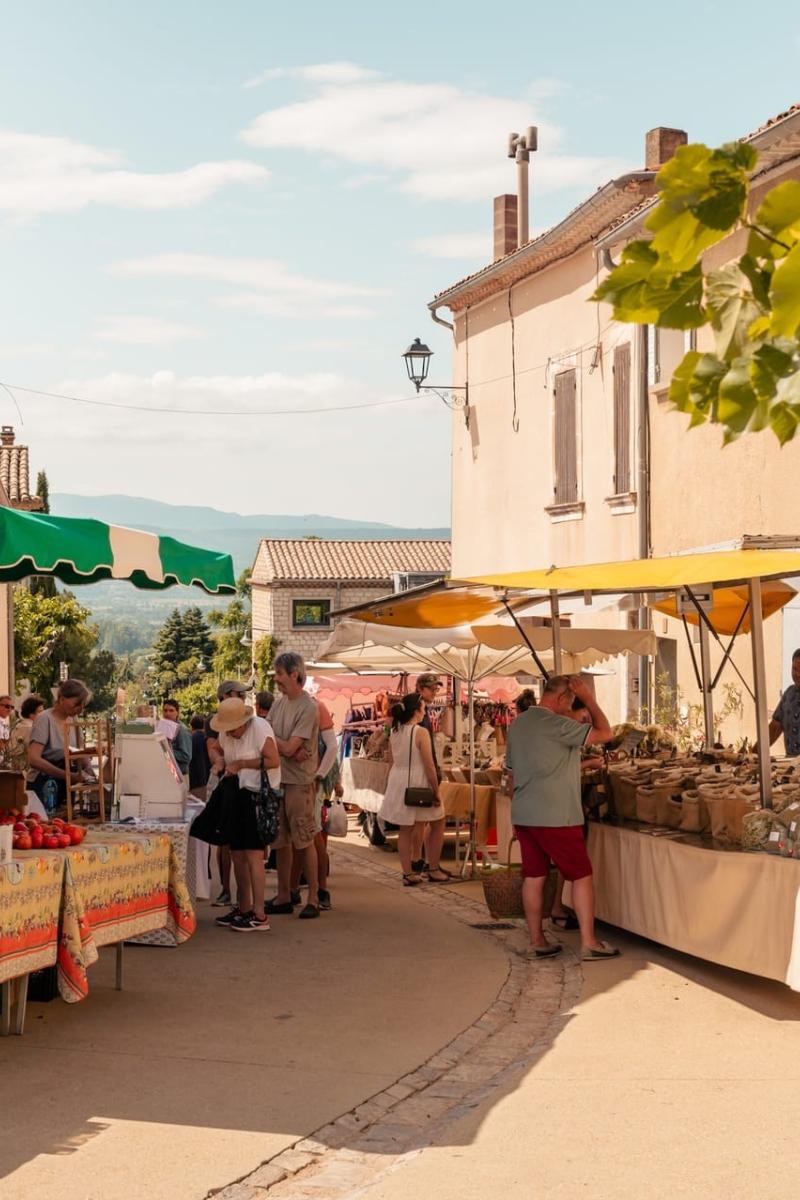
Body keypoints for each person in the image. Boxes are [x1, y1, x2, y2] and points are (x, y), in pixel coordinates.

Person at [505, 674, 619, 962]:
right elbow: (606, 733)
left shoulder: (518, 725)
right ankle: (589, 942)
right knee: (581, 876)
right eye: (571, 700)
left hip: (524, 812)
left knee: (534, 876)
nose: (571, 707)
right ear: (562, 698)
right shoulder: (557, 724)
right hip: (557, 815)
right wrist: (590, 700)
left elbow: (513, 772)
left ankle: (536, 941)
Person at [210, 697, 280, 932]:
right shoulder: (227, 733)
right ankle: (244, 906)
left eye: (233, 729)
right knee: (237, 853)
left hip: (256, 795)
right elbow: (217, 749)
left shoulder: (259, 728)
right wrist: (219, 761)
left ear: (243, 722)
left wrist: (241, 764)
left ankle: (259, 914)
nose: (230, 734)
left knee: (253, 855)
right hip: (236, 793)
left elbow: (273, 760)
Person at [267, 652, 321, 919]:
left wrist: (283, 744)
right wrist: (286, 746)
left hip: (299, 782)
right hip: (281, 780)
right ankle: (284, 895)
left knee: (304, 839)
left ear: (294, 674)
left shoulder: (308, 707)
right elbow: (283, 745)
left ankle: (313, 897)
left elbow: (285, 745)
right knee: (281, 842)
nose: (276, 679)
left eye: (279, 674)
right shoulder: (279, 704)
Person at [379, 692, 448, 886]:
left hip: (399, 780)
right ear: (417, 711)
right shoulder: (420, 732)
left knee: (405, 829)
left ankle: (408, 873)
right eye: (423, 706)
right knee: (438, 820)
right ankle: (433, 868)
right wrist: (435, 790)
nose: (425, 709)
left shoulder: (395, 731)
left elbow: (392, 760)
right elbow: (429, 765)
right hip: (418, 781)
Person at [207, 680, 249, 907]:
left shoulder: (248, 721)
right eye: (240, 694)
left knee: (243, 847)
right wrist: (220, 761)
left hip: (244, 786)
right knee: (224, 842)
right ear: (227, 695)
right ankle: (226, 889)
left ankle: (246, 899)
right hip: (227, 784)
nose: (243, 697)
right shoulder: (215, 723)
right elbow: (214, 748)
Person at [27, 679, 93, 803]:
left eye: (83, 705)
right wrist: (68, 776)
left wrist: (90, 772)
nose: (80, 709)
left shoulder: (73, 719)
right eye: (77, 704)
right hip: (45, 785)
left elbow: (80, 751)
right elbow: (34, 759)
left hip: (65, 785)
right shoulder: (44, 719)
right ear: (62, 699)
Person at [411, 673, 443, 874]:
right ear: (420, 689)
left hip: (420, 771)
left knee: (420, 821)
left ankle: (420, 861)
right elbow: (424, 750)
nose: (434, 692)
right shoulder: (419, 713)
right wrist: (433, 779)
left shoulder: (417, 710)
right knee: (429, 820)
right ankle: (425, 863)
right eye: (431, 688)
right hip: (423, 771)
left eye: (436, 689)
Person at [766, 649, 800, 755]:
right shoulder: (789, 694)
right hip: (791, 767)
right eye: (795, 669)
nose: (798, 674)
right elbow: (775, 727)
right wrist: (753, 753)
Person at [10, 695, 45, 781]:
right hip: (29, 775)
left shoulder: (19, 725)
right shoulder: (30, 728)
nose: (43, 714)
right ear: (31, 714)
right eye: (40, 711)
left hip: (19, 773)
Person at [161, 699, 193, 781]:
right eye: (165, 710)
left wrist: (167, 750)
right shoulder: (164, 727)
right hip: (167, 775)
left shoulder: (182, 730)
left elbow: (186, 756)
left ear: (177, 713)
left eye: (171, 710)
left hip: (180, 776)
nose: (168, 713)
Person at [188, 714, 210, 800]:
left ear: (191, 726)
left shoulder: (193, 738)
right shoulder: (206, 737)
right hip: (206, 777)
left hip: (196, 779)